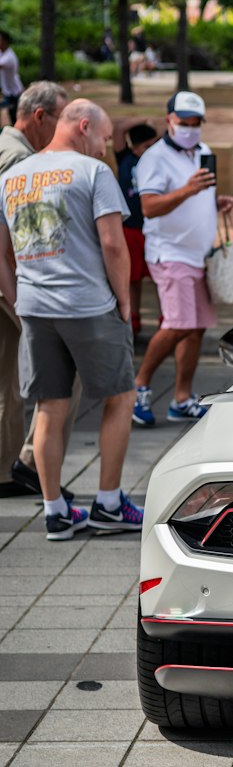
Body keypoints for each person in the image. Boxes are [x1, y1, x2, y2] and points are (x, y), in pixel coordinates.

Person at [0, 99, 142, 540]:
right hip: (87, 304)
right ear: (84, 126)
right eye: (103, 137)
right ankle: (109, 504)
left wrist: (19, 298)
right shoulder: (93, 173)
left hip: (36, 308)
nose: (104, 148)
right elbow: (113, 245)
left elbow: (3, 252)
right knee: (121, 398)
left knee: (48, 408)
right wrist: (124, 302)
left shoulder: (11, 177)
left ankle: (55, 512)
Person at [132, 91, 233, 426]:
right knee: (178, 324)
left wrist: (215, 202)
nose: (190, 130)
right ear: (168, 120)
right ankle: (139, 387)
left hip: (199, 255)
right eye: (183, 123)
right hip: (169, 252)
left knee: (195, 329)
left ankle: (182, 398)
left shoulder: (202, 152)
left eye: (195, 124)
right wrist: (189, 190)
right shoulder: (153, 158)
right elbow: (148, 206)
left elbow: (197, 196)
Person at [0, 82, 81, 499]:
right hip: (14, 284)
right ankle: (29, 466)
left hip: (12, 281)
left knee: (11, 385)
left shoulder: (6, 148)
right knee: (56, 377)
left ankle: (13, 470)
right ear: (39, 117)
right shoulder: (18, 159)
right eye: (62, 119)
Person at [113, 120, 159, 335]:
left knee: (160, 277)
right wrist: (142, 121)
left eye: (154, 145)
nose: (151, 151)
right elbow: (119, 129)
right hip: (130, 228)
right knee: (133, 278)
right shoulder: (125, 158)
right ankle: (134, 318)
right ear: (134, 148)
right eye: (146, 147)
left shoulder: (160, 161)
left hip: (153, 228)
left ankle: (165, 318)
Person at [0, 31, 24, 127]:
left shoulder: (9, 57)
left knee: (16, 118)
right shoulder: (2, 53)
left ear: (5, 41)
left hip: (15, 93)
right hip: (8, 92)